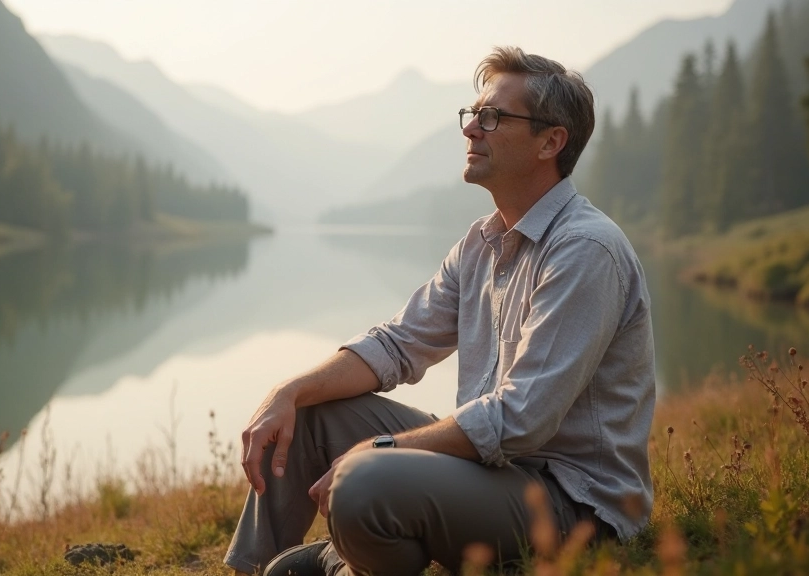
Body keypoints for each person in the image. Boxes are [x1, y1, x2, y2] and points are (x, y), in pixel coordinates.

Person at [223, 46, 656, 576]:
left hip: (572, 504)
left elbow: (521, 420)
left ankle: (349, 561)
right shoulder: (481, 243)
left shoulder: (585, 249)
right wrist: (288, 392)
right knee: (308, 412)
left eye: (492, 117)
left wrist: (382, 449)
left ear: (551, 142)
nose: (471, 129)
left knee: (363, 480)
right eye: (473, 114)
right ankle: (254, 569)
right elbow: (397, 344)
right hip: (491, 472)